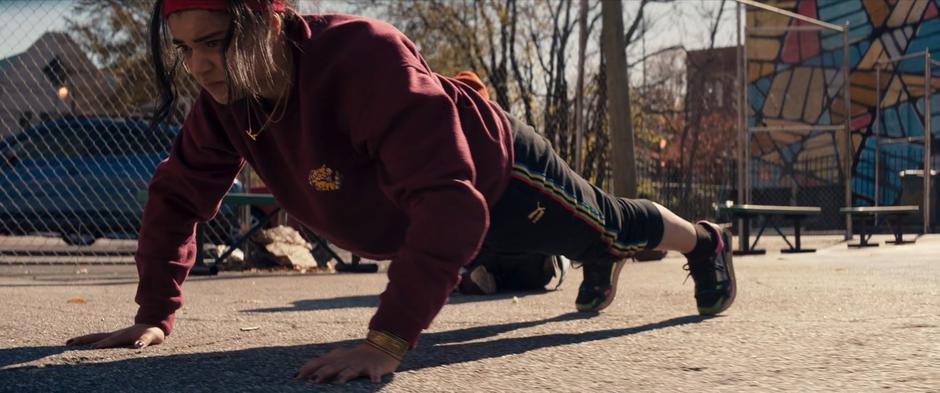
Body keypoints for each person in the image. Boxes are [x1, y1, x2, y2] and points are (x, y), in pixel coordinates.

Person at [66, 0, 737, 384]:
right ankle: (594, 254)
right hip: (439, 219)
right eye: (183, 49)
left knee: (611, 223)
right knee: (558, 248)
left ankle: (704, 239)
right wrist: (153, 311)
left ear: (266, 24)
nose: (198, 65)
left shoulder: (362, 57)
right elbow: (175, 196)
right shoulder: (223, 102)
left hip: (497, 177)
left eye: (212, 43)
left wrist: (387, 340)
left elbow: (450, 201)